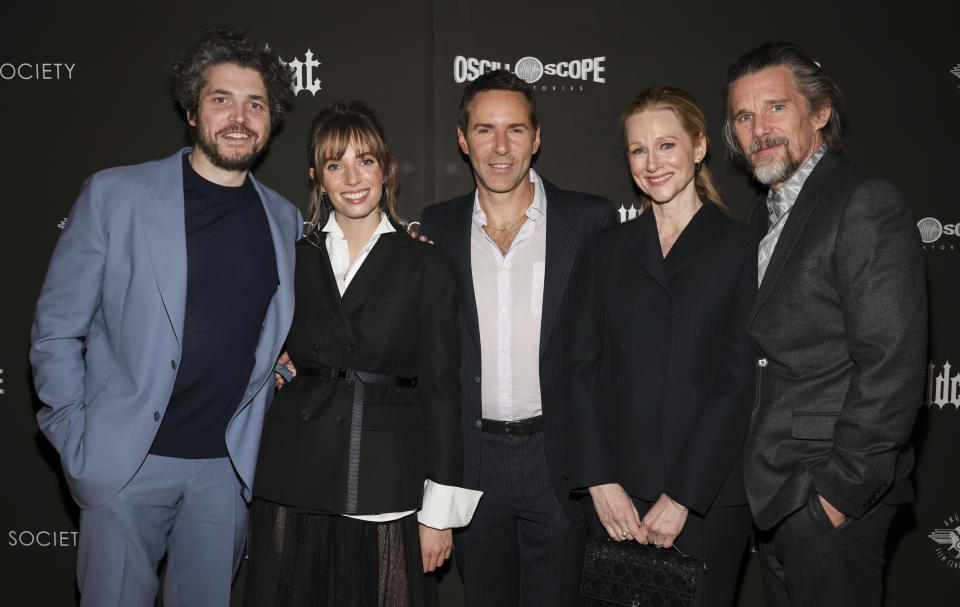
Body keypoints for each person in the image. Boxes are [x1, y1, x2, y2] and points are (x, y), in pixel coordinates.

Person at [28, 29, 301, 606]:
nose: (239, 116)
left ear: (271, 119)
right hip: (125, 463)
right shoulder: (115, 195)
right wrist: (76, 437)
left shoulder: (284, 219)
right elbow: (56, 329)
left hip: (225, 474)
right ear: (190, 109)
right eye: (221, 98)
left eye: (255, 103)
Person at [244, 101, 480, 607]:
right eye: (335, 164)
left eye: (365, 160)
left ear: (386, 169)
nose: (352, 177)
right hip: (295, 469)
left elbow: (442, 391)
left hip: (382, 474)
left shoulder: (425, 263)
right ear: (317, 178)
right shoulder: (292, 255)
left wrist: (438, 512)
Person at [723, 41, 927, 606]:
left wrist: (838, 494)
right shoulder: (761, 217)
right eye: (744, 115)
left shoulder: (863, 201)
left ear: (819, 113)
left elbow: (892, 362)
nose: (758, 127)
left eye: (775, 107)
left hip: (829, 494)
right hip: (776, 492)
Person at [418, 70, 615, 607]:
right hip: (473, 463)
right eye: (484, 130)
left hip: (559, 462)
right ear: (463, 140)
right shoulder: (435, 227)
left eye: (516, 130)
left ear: (537, 138)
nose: (500, 147)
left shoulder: (590, 220)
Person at [566, 85, 757, 607]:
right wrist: (598, 481)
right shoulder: (606, 249)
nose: (652, 163)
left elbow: (737, 383)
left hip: (708, 499)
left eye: (666, 145)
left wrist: (683, 498)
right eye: (637, 150)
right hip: (616, 499)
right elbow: (578, 369)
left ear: (699, 147)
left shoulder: (742, 249)